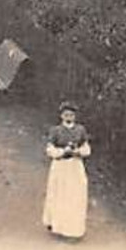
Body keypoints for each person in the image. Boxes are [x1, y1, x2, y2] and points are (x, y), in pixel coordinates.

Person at [43, 102, 91, 241]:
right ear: (61, 116)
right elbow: (50, 149)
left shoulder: (80, 130)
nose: (68, 117)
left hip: (75, 166)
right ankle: (57, 225)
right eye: (66, 114)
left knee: (75, 195)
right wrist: (63, 151)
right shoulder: (55, 130)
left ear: (75, 116)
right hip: (60, 166)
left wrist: (78, 151)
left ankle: (74, 230)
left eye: (71, 114)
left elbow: (86, 147)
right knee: (59, 193)